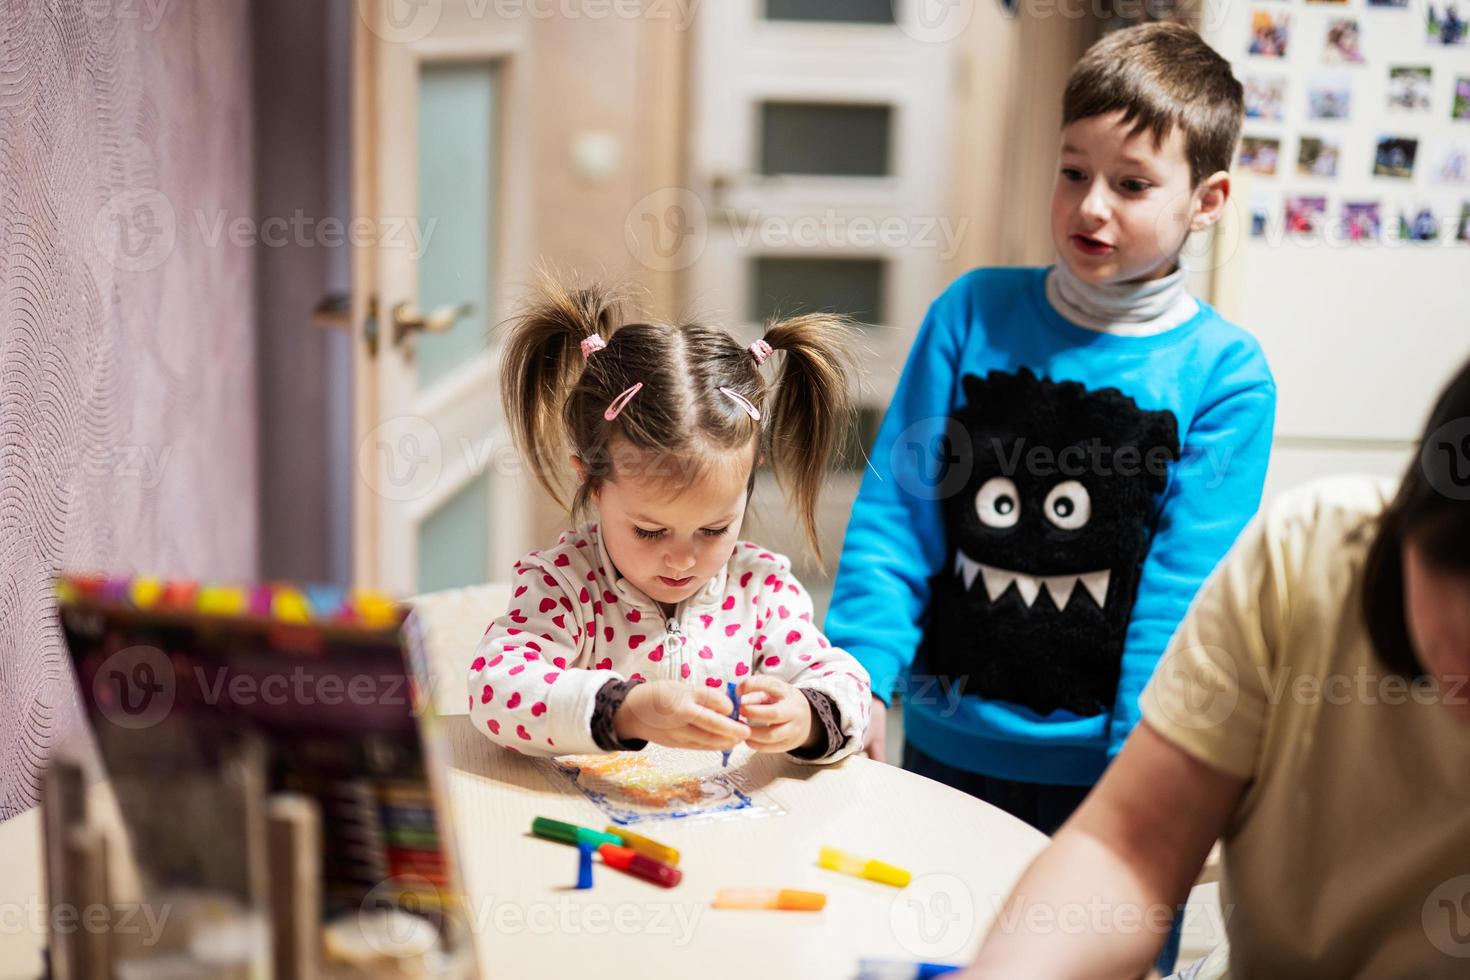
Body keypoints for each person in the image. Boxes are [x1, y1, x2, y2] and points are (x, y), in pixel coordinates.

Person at [825, 23, 1277, 969]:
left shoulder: (1226, 376)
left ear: (1209, 199)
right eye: (1074, 172)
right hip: (946, 749)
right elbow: (897, 519)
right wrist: (858, 676)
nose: (1092, 206)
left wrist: (1138, 791)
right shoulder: (970, 313)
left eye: (1133, 183)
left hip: (1109, 781)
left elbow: (1180, 603)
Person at [965, 355, 1470, 978]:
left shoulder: (1230, 380)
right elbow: (1129, 846)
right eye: (1458, 572)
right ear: (1407, 523)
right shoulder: (1309, 553)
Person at [468, 282, 871, 763]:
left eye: (714, 530)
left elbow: (844, 682)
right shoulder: (565, 587)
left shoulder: (759, 590)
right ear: (592, 483)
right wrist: (626, 711)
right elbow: (495, 688)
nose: (682, 558)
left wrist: (805, 715)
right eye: (649, 530)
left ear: (749, 479)